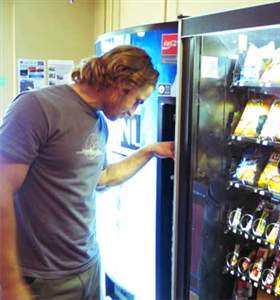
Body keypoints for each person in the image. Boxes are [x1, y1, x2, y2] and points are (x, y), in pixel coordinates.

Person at [0, 45, 174, 300]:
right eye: (137, 101)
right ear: (121, 83)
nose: (133, 112)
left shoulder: (99, 122)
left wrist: (149, 151)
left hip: (89, 267)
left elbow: (101, 177)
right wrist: (9, 283)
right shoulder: (36, 107)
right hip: (44, 278)